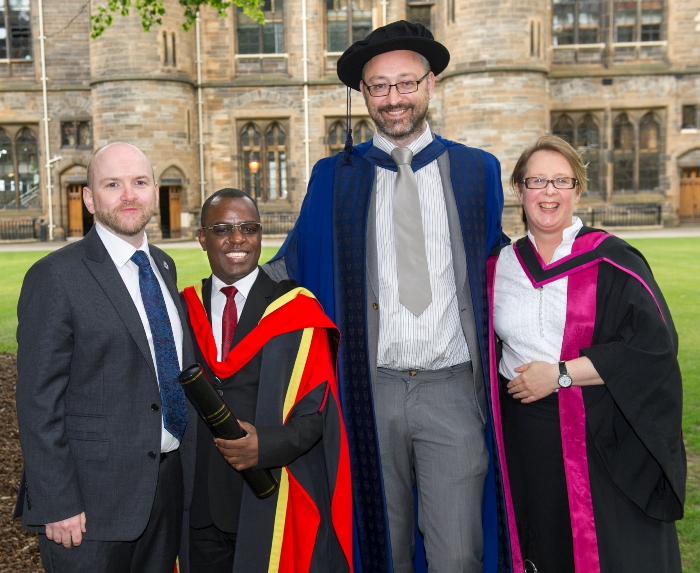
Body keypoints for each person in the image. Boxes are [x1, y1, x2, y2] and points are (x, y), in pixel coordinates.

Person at [264, 21, 508, 573]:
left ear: (431, 84)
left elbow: (500, 267)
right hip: (368, 392)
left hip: (451, 388)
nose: (393, 98)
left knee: (458, 553)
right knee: (381, 548)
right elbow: (291, 268)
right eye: (379, 86)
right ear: (364, 94)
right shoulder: (335, 177)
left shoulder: (476, 172)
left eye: (405, 83)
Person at [486, 135, 686, 573]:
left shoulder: (611, 259)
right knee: (543, 541)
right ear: (519, 190)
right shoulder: (499, 265)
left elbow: (652, 348)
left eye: (562, 180)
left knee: (608, 549)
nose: (549, 192)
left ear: (578, 189)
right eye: (537, 180)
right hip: (525, 434)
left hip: (600, 430)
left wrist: (559, 374)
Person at [15, 142, 197, 573]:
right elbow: (38, 402)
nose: (128, 195)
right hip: (88, 508)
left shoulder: (163, 266)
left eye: (138, 182)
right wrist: (57, 501)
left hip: (163, 492)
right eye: (112, 184)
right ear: (90, 198)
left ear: (154, 190)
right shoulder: (55, 276)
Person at [180, 188, 352, 573]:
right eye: (222, 228)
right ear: (203, 237)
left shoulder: (296, 312)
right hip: (198, 505)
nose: (237, 239)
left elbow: (317, 412)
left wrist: (267, 446)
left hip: (271, 497)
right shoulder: (181, 309)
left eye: (249, 227)